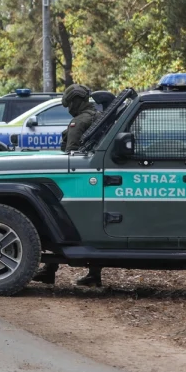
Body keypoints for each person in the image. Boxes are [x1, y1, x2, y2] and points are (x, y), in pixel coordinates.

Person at [33, 84, 105, 287]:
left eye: (69, 105)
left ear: (76, 102)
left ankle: (49, 270)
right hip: (93, 177)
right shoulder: (98, 117)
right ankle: (93, 274)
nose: (68, 109)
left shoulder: (80, 121)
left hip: (77, 179)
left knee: (54, 220)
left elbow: (70, 154)